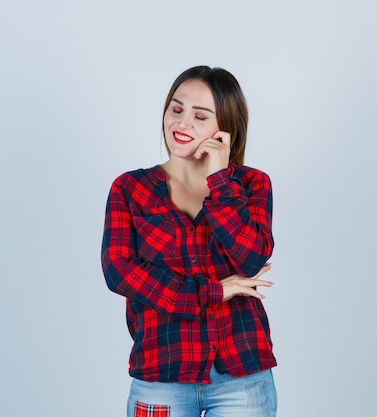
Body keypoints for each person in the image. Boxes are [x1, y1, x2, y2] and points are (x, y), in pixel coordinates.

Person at [101, 66, 277, 417]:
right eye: (176, 109)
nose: (182, 124)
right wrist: (213, 292)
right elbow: (119, 272)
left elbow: (250, 259)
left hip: (241, 377)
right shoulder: (129, 189)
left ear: (224, 126)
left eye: (200, 116)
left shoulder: (251, 184)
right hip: (160, 375)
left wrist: (219, 180)